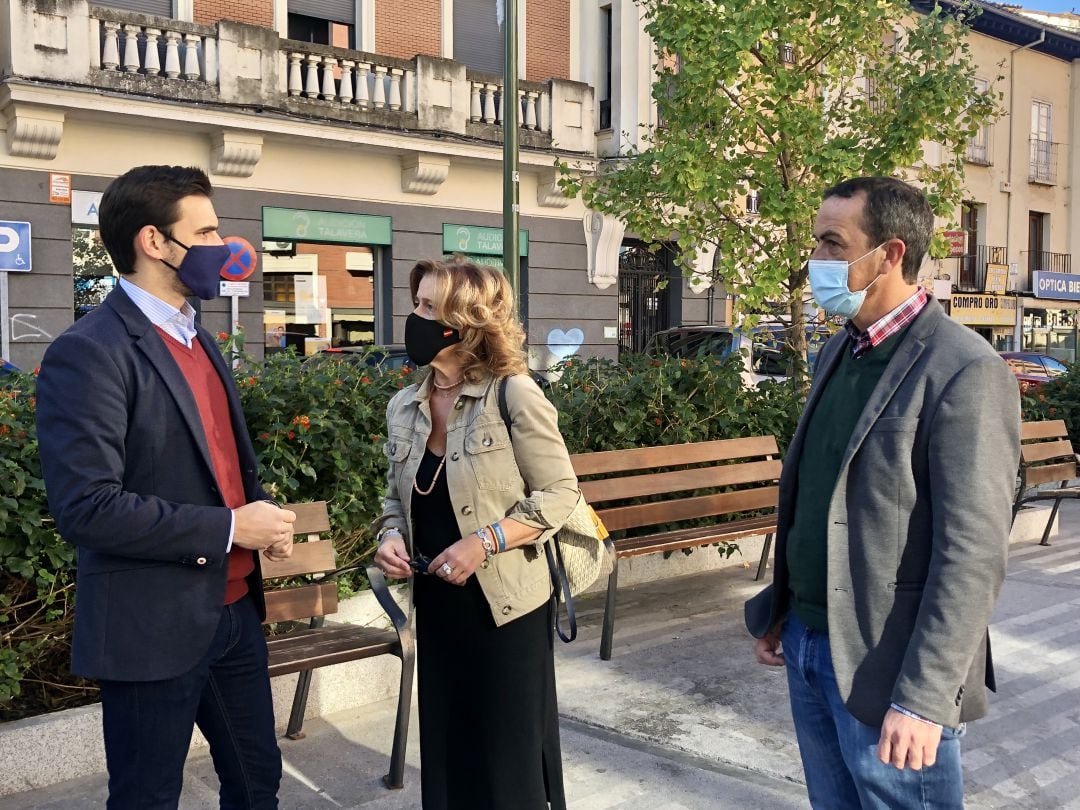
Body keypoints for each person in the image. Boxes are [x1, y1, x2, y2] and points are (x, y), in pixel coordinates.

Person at [745, 176, 1020, 809]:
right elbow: (826, 492)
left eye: (832, 242)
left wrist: (925, 697)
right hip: (810, 644)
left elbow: (973, 554)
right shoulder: (839, 350)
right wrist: (783, 604)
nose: (815, 259)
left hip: (892, 670)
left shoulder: (964, 369)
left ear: (891, 254)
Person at [36, 165, 296, 809]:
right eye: (205, 231)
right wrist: (233, 527)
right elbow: (87, 508)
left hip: (234, 612)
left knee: (258, 782)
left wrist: (259, 518)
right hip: (151, 625)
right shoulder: (90, 351)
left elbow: (222, 460)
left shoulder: (199, 337)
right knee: (147, 797)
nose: (220, 244)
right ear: (155, 242)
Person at [373, 258, 578, 810]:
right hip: (437, 601)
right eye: (415, 304)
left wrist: (482, 541)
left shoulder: (513, 394)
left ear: (465, 322)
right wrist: (390, 536)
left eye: (426, 309)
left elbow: (560, 494)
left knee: (506, 752)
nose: (412, 319)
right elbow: (395, 496)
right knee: (447, 746)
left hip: (505, 603)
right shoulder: (404, 406)